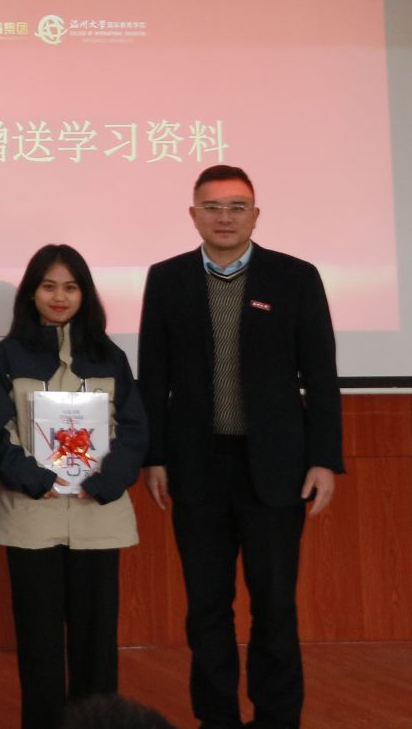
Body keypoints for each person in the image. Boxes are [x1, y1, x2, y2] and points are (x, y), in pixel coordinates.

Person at [138, 165, 342, 729]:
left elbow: (321, 375)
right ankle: (218, 719)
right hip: (195, 468)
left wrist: (324, 459)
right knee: (207, 608)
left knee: (274, 606)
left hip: (276, 469)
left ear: (255, 215)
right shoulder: (167, 278)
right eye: (212, 207)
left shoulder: (295, 277)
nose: (224, 217)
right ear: (193, 214)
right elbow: (153, 377)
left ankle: (277, 719)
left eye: (236, 207)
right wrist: (154, 456)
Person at [0, 244, 148, 729]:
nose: (60, 297)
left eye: (71, 287)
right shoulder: (6, 356)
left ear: (85, 294)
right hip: (32, 516)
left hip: (98, 516)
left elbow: (133, 428)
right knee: (38, 645)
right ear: (32, 293)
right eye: (49, 286)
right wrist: (35, 478)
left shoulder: (108, 355)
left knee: (97, 646)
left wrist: (107, 480)